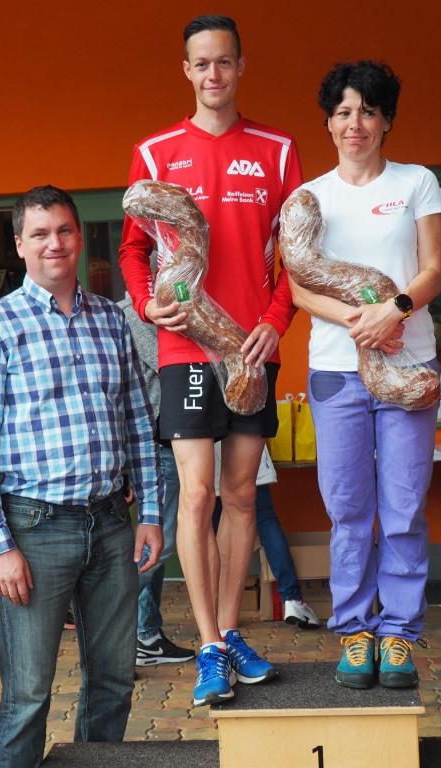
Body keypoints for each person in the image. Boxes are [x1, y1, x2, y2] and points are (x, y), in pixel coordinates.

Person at [119, 13, 302, 708]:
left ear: (240, 66)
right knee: (196, 495)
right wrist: (147, 305)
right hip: (186, 348)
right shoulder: (156, 152)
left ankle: (228, 633)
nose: (214, 74)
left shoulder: (278, 150)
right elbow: (134, 248)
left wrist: (276, 323)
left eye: (224, 61)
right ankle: (206, 646)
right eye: (201, 63)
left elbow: (297, 257)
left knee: (241, 495)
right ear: (186, 70)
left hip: (252, 348)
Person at [0, 185, 162, 768]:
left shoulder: (112, 320)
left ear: (79, 237)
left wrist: (149, 512)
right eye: (40, 233)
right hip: (34, 529)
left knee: (114, 680)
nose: (54, 243)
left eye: (64, 230)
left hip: (111, 524)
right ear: (20, 244)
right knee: (27, 694)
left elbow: (137, 422)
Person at [288, 60, 441, 690]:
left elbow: (433, 269)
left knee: (403, 506)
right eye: (344, 112)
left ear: (386, 121)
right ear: (329, 122)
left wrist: (395, 309)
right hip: (336, 370)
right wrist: (359, 319)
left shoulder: (417, 183)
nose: (356, 123)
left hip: (408, 364)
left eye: (369, 112)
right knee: (348, 508)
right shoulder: (311, 197)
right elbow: (298, 287)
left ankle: (399, 631)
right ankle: (355, 630)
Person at [116, 294, 195, 666]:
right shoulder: (136, 316)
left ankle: (145, 633)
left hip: (160, 440)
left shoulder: (132, 313)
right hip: (156, 442)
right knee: (155, 546)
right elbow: (171, 364)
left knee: (155, 546)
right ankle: (122, 638)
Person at [212, 444, 321, 628]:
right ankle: (292, 599)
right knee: (266, 520)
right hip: (244, 442)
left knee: (214, 530)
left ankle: (218, 611)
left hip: (205, 449)